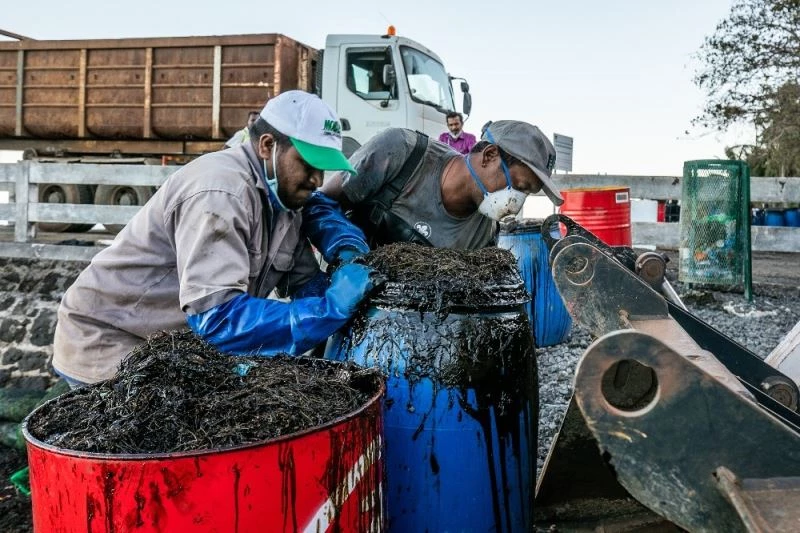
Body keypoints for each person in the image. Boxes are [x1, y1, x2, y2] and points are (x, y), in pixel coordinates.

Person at [52, 91, 375, 387]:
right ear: (267, 146)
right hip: (112, 340)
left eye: (324, 168)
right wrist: (329, 309)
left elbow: (302, 278)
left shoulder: (283, 200)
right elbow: (218, 319)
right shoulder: (220, 194)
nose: (316, 180)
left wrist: (345, 272)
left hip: (174, 344)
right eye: (308, 165)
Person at [303, 120, 564, 250]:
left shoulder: (483, 233)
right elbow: (320, 205)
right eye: (518, 186)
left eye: (526, 194)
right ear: (489, 156)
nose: (516, 202)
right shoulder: (401, 152)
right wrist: (347, 251)